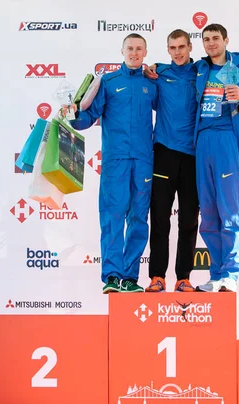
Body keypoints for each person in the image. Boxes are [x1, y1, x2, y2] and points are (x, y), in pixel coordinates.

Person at [61, 34, 158, 293]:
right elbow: (87, 118)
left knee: (138, 218)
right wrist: (72, 113)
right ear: (122, 51)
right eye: (130, 49)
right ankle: (112, 276)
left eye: (139, 49)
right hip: (115, 160)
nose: (134, 53)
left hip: (144, 160)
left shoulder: (152, 83)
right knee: (113, 216)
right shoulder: (109, 82)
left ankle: (130, 277)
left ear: (145, 52)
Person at [193, 23, 239, 292]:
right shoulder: (199, 69)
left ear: (226, 40)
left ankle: (231, 275)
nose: (211, 43)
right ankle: (216, 276)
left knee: (230, 213)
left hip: (226, 141)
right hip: (201, 141)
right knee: (209, 215)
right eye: (206, 39)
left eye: (215, 38)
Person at [144, 30, 199, 293]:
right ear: (167, 50)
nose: (177, 52)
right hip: (164, 153)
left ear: (190, 47)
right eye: (172, 47)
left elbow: (229, 63)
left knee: (189, 220)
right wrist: (150, 69)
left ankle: (183, 277)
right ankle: (157, 276)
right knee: (160, 219)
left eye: (181, 47)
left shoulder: (202, 72)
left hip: (192, 156)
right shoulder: (160, 74)